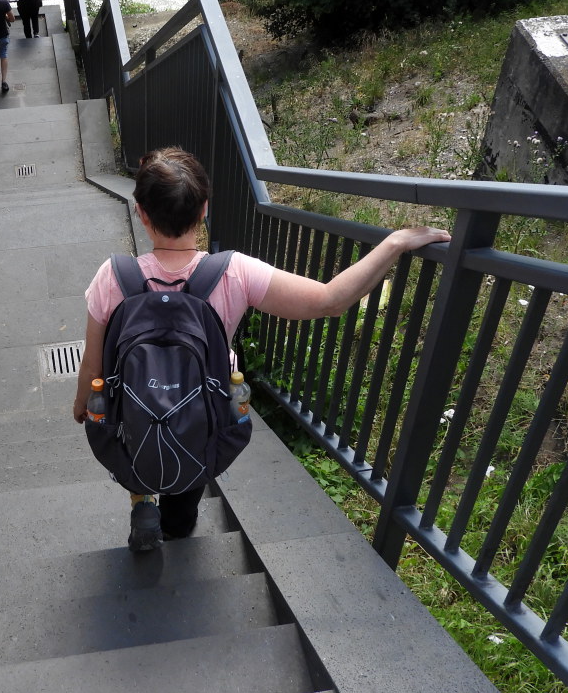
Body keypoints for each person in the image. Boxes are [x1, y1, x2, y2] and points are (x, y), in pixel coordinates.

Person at [73, 147, 451, 551]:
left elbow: (93, 362)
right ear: (203, 210)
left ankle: (141, 494)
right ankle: (176, 524)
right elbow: (329, 300)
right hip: (202, 411)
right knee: (188, 466)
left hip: (136, 404)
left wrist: (82, 405)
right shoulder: (234, 272)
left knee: (137, 435)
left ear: (142, 214)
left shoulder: (113, 276)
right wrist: (393, 244)